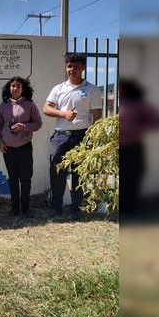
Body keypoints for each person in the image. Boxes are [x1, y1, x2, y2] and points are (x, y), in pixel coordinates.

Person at [42, 53, 103, 218]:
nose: (72, 70)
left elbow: (97, 116)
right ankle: (56, 207)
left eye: (76, 67)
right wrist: (64, 114)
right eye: (69, 66)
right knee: (57, 172)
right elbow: (46, 108)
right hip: (60, 136)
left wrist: (92, 140)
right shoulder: (58, 88)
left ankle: (76, 208)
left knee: (79, 173)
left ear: (83, 67)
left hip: (82, 136)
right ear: (66, 67)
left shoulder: (92, 89)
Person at [0, 76, 43, 217]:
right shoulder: (3, 106)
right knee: (13, 178)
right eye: (13, 86)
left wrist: (24, 126)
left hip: (24, 147)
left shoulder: (30, 105)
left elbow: (38, 124)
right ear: (9, 88)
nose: (15, 88)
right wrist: (0, 142)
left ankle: (26, 209)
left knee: (26, 178)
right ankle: (14, 208)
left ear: (23, 88)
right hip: (8, 149)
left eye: (18, 86)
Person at [118, 79, 159, 217]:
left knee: (132, 178)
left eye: (120, 87)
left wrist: (137, 128)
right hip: (118, 147)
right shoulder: (119, 104)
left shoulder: (138, 105)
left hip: (132, 147)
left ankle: (130, 208)